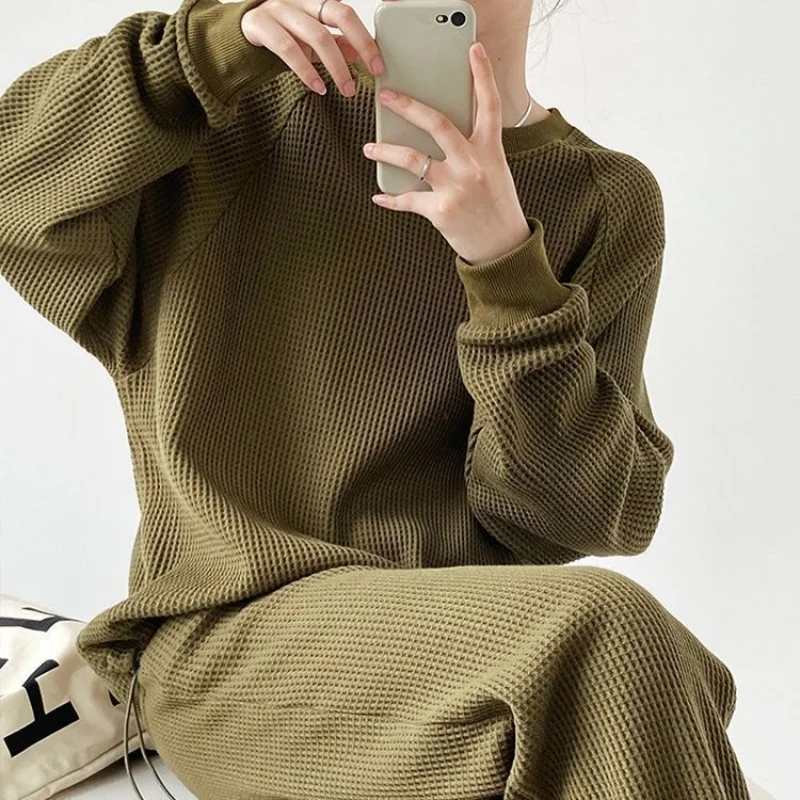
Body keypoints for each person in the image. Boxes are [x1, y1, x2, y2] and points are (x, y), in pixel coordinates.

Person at [0, 0, 751, 798]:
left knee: (652, 677)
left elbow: (582, 515)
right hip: (233, 643)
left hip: (477, 663)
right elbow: (15, 186)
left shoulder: (603, 197)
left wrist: (507, 266)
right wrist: (202, 52)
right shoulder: (237, 116)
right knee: (612, 637)